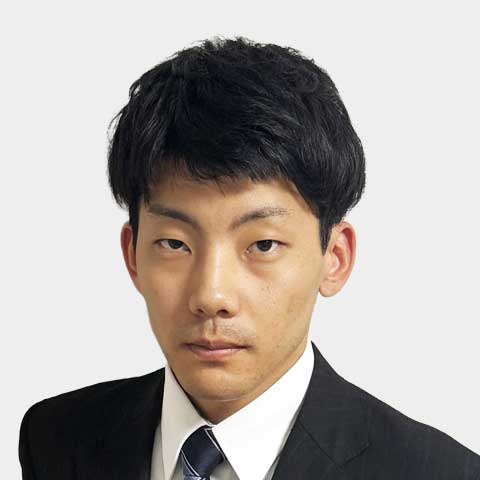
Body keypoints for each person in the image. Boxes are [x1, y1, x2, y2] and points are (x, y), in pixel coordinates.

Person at [18, 36, 480, 480]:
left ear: (335, 258)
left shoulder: (439, 472)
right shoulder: (57, 437)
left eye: (262, 245)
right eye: (175, 244)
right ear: (132, 255)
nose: (211, 296)